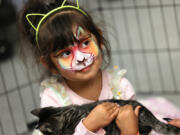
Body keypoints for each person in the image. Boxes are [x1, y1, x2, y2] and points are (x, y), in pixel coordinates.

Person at [18, 0, 140, 134]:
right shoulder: (53, 101)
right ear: (49, 65)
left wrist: (131, 130)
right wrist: (88, 126)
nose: (80, 58)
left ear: (99, 39)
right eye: (66, 53)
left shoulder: (121, 88)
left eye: (85, 43)